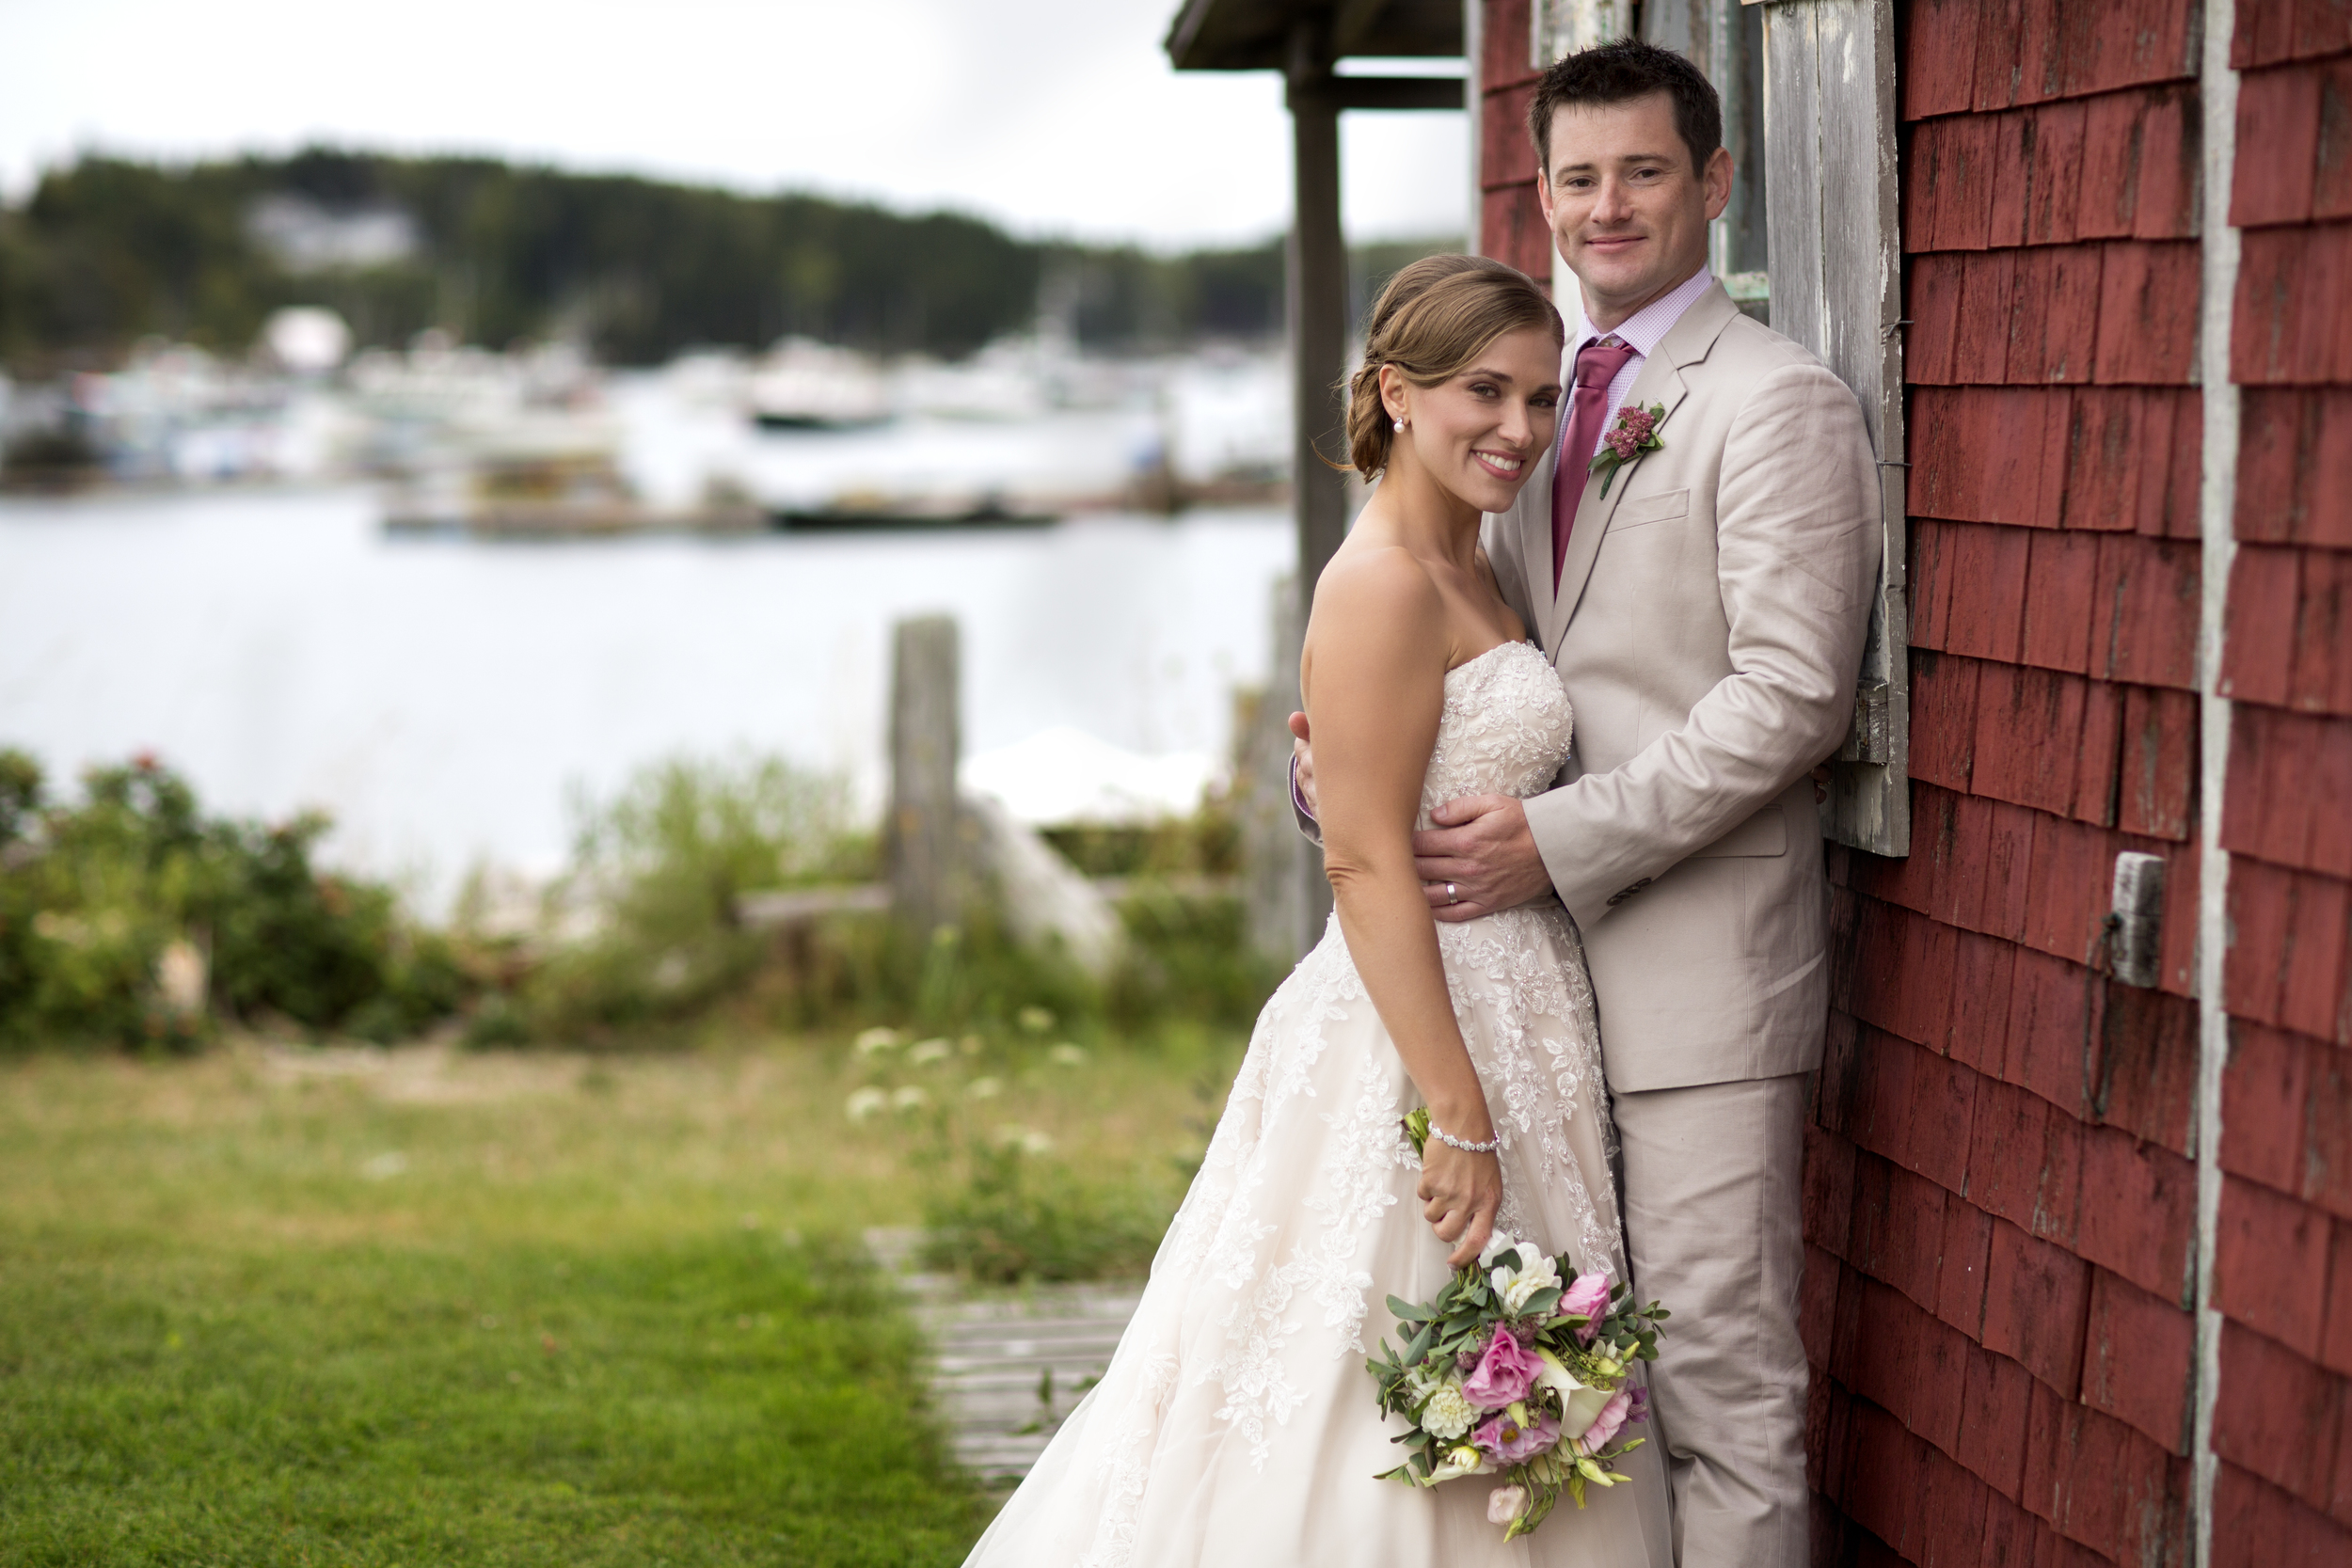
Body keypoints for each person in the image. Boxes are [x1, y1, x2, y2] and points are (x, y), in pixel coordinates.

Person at [961, 254, 1674, 1568]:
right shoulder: (1384, 581)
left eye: (1539, 397)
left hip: (1524, 1012)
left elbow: (1394, 784)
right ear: (1398, 393)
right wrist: (1455, 1112)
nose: (1519, 428)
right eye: (1483, 392)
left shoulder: (1476, 560)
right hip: (1419, 1040)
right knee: (1368, 1379)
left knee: (1515, 1371)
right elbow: (1362, 865)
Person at [1291, 39, 1882, 1568]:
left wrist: (1551, 842)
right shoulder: (1538, 408)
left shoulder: (1777, 403)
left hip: (1694, 985)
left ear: (1716, 181)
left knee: (1717, 1391)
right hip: (1524, 1003)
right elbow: (1481, 670)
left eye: (1645, 171)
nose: (1607, 205)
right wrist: (1355, 778)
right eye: (1578, 177)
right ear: (1544, 194)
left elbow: (1793, 696)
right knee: (1553, 1391)